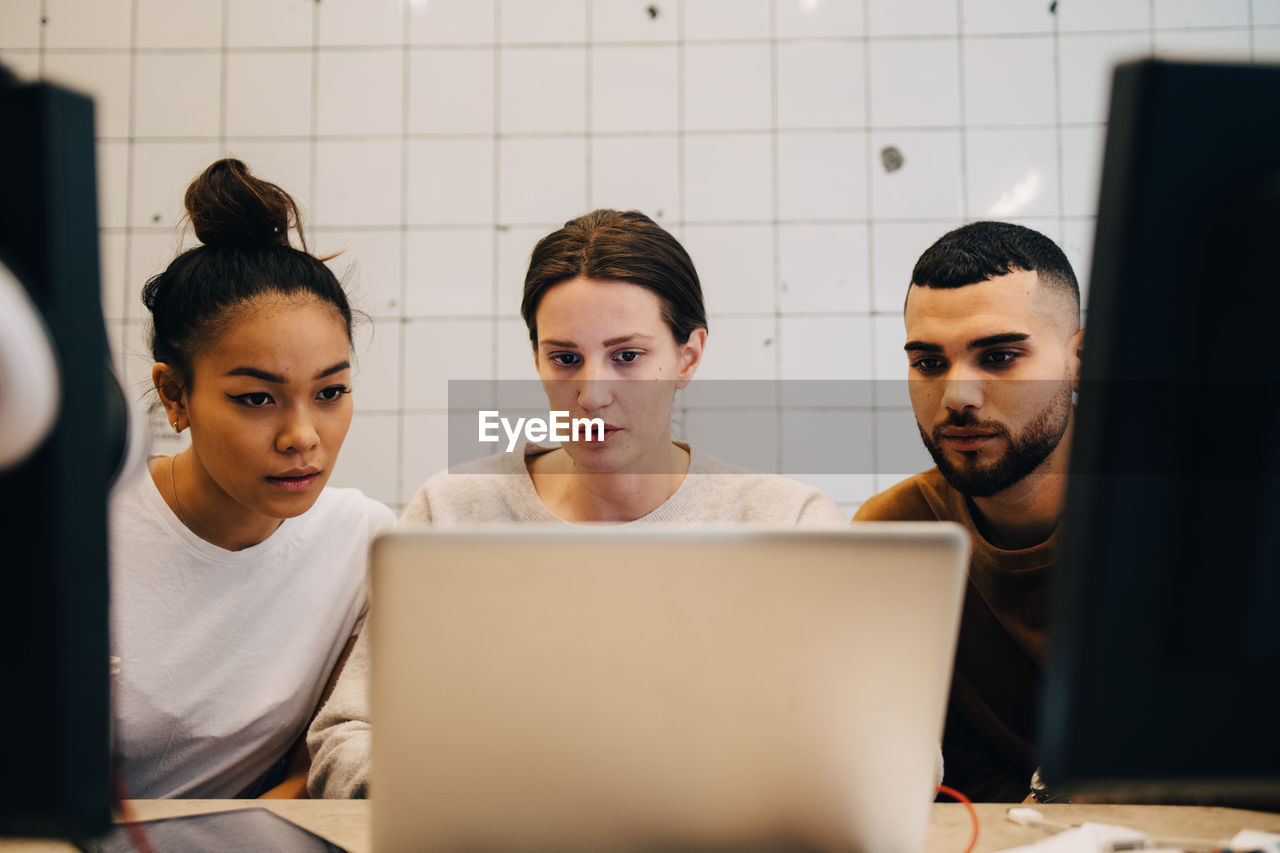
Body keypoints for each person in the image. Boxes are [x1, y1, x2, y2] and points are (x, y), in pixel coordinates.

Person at [306, 208, 846, 798]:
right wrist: (470, 799)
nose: (591, 395)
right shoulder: (454, 513)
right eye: (565, 358)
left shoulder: (787, 524)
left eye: (627, 356)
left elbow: (887, 749)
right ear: (536, 358)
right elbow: (348, 735)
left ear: (688, 357)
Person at [110, 158, 395, 798]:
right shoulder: (81, 531)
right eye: (256, 399)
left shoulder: (364, 541)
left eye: (331, 391)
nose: (302, 436)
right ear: (175, 394)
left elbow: (311, 764)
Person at [853, 220, 1084, 802]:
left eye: (1000, 356)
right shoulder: (893, 534)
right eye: (929, 363)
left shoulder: (1189, 514)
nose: (957, 396)